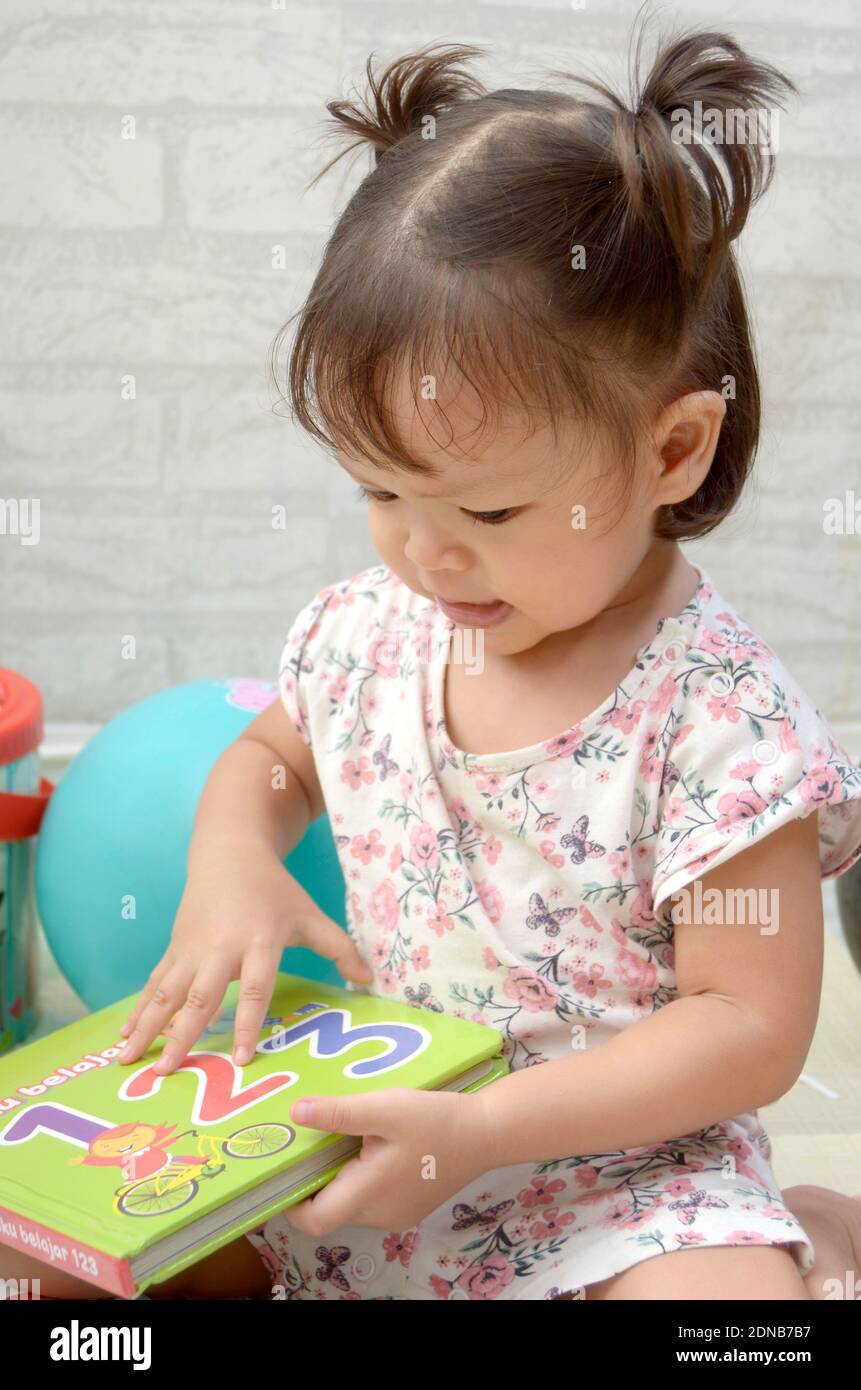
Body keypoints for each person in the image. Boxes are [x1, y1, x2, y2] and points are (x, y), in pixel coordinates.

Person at [30, 22, 861, 1301]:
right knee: (47, 1278)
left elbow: (749, 1029)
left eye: (488, 514)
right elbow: (269, 755)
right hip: (359, 1141)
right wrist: (233, 859)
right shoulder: (373, 633)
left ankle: (804, 1239)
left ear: (673, 453)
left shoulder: (723, 721)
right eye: (380, 489)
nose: (426, 555)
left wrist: (485, 1134)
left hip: (615, 1184)